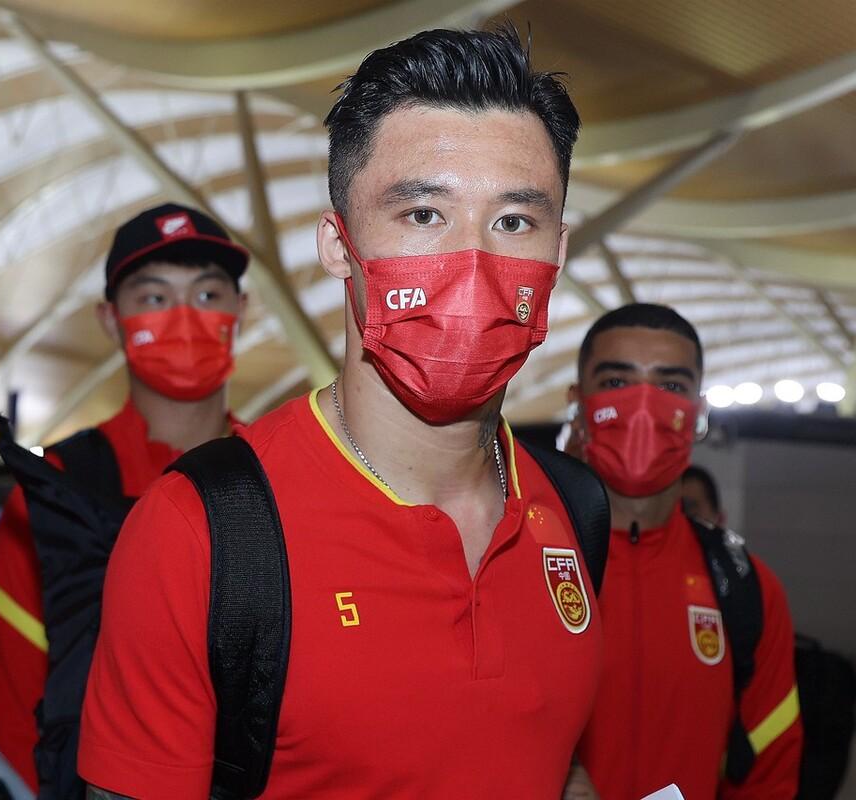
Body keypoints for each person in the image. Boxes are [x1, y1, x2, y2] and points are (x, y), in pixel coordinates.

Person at [80, 26, 605, 799]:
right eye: (423, 215)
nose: (472, 267)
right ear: (337, 244)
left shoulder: (574, 507)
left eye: (513, 223)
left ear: (557, 252)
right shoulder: (199, 529)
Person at [0, 202, 248, 791]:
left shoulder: (280, 477)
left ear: (241, 310)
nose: (183, 317)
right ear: (110, 319)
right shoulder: (53, 491)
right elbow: (14, 702)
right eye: (154, 297)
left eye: (207, 294)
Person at [572, 303, 802, 799]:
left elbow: (769, 775)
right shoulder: (512, 562)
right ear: (578, 403)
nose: (643, 406)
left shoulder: (747, 588)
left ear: (699, 413)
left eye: (671, 386)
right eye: (616, 381)